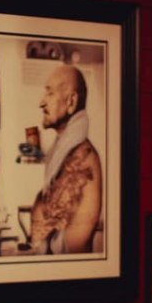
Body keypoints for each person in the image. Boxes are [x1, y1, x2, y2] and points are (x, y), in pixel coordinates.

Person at [29, 63, 103, 255]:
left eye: (50, 93)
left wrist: (39, 204)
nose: (41, 102)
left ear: (71, 102)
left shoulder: (83, 158)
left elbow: (60, 246)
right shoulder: (64, 151)